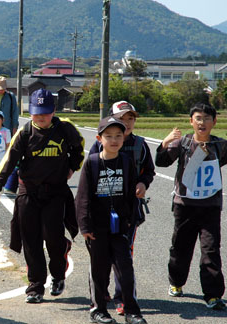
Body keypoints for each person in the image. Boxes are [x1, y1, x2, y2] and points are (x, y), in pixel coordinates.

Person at [0, 88, 85, 303]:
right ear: (30, 111)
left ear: (53, 111)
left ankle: (58, 276)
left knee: (53, 238)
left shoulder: (65, 129)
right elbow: (8, 161)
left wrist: (72, 167)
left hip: (56, 193)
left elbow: (79, 149)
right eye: (36, 112)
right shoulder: (24, 133)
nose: (40, 117)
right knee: (30, 241)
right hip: (28, 192)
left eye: (45, 112)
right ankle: (36, 285)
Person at [155, 102, 227, 310]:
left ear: (214, 122)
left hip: (210, 206)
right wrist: (165, 142)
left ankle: (212, 295)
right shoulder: (182, 143)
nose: (202, 122)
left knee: (211, 250)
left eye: (207, 118)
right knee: (181, 248)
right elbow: (161, 162)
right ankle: (176, 282)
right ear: (191, 121)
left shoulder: (220, 146)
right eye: (198, 118)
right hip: (185, 205)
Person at [76, 116, 147, 324]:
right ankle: (98, 310)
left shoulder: (126, 162)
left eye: (118, 135)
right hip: (96, 227)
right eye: (108, 136)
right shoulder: (92, 162)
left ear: (124, 138)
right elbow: (82, 197)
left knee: (125, 267)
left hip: (120, 227)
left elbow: (130, 195)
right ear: (99, 138)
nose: (114, 140)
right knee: (99, 268)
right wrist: (85, 225)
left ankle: (132, 311)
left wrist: (130, 221)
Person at [88, 101, 155, 316]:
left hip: (127, 211)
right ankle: (100, 295)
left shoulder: (140, 145)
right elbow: (87, 179)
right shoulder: (100, 145)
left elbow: (148, 171)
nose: (126, 123)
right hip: (100, 213)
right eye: (121, 118)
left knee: (124, 256)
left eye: (130, 119)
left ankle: (122, 297)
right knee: (100, 257)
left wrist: (143, 183)